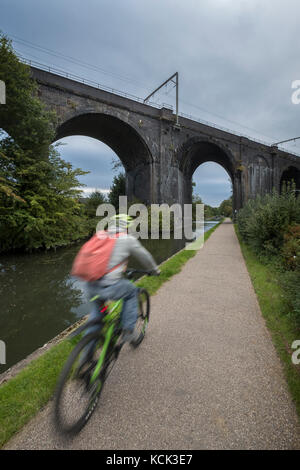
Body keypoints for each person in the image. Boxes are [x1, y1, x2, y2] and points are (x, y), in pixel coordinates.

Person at [83, 214, 160, 353]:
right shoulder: (127, 238)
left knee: (97, 315)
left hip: (90, 284)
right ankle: (128, 331)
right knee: (132, 292)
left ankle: (85, 358)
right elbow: (145, 257)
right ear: (127, 226)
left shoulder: (100, 235)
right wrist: (155, 270)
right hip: (109, 285)